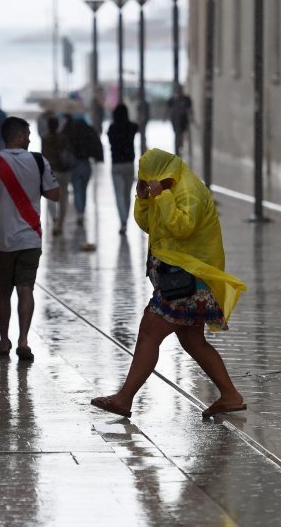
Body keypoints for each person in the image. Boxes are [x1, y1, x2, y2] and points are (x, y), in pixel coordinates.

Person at [90, 148, 248, 420]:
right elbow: (150, 225)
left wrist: (161, 197)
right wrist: (143, 200)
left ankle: (124, 398)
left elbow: (182, 228)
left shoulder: (189, 191)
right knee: (193, 341)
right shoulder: (162, 191)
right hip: (178, 277)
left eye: (152, 181)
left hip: (190, 279)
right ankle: (230, 396)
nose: (152, 186)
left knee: (150, 330)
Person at [0, 117, 60, 361]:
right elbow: (54, 194)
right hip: (30, 237)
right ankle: (23, 340)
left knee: (3, 291)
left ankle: (4, 341)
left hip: (0, 238)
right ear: (20, 135)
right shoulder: (38, 160)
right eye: (28, 134)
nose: (31, 139)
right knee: (26, 288)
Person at [63, 113, 103, 226]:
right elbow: (96, 144)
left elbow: (63, 145)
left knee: (77, 189)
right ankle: (82, 212)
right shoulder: (88, 130)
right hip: (86, 164)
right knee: (84, 189)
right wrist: (98, 157)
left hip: (75, 165)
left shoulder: (69, 131)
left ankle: (79, 212)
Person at [107, 103, 139, 234]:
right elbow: (138, 126)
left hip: (116, 165)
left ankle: (123, 220)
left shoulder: (112, 128)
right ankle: (125, 218)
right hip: (129, 164)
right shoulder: (131, 127)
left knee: (118, 194)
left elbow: (110, 141)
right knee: (127, 194)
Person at [40, 116, 74, 235]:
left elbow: (43, 155)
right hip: (63, 171)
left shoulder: (45, 139)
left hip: (50, 172)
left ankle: (54, 219)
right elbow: (67, 153)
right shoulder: (63, 138)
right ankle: (60, 222)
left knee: (50, 198)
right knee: (63, 198)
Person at [165, 84, 194, 157]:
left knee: (181, 133)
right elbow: (167, 108)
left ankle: (180, 147)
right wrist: (165, 116)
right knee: (177, 133)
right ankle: (178, 147)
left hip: (183, 119)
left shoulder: (186, 99)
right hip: (174, 119)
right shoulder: (172, 99)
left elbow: (190, 109)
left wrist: (191, 116)